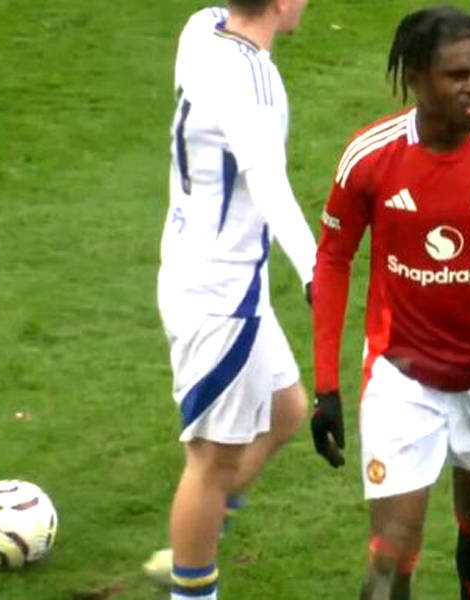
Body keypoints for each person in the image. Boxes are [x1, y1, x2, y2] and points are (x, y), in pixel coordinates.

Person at [309, 5, 470, 598]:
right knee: (391, 550)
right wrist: (326, 386)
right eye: (457, 75)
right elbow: (332, 261)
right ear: (417, 79)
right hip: (404, 377)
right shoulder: (371, 156)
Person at [153, 1, 313, 598]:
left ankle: (198, 532)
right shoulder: (254, 82)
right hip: (220, 294)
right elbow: (268, 184)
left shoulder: (201, 27)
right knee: (212, 461)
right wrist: (316, 271)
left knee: (286, 411)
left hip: (207, 271)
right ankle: (191, 580)